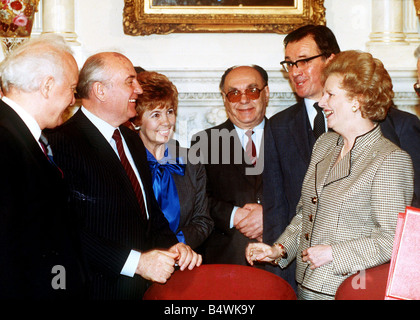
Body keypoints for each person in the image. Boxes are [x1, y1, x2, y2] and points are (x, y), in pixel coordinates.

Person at [247, 50, 414, 300]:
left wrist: (336, 253)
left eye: (330, 94)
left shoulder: (390, 160)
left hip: (350, 290)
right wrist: (278, 250)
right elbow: (307, 213)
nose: (321, 102)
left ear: (357, 100)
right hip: (305, 285)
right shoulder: (325, 144)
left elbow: (393, 239)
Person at [47, 52, 201, 300]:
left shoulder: (130, 138)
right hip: (94, 289)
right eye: (130, 81)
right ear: (100, 90)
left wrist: (173, 246)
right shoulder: (61, 143)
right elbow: (66, 231)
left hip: (141, 290)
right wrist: (136, 263)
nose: (138, 89)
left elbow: (148, 211)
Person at [0, 34, 86, 299]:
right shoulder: (4, 139)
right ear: (48, 86)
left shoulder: (18, 133)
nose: (72, 100)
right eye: (72, 88)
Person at [191, 65, 268, 265]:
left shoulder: (288, 137)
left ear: (266, 93)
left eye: (252, 91)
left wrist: (269, 215)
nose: (243, 100)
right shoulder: (204, 143)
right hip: (227, 261)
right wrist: (236, 215)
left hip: (280, 260)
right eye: (234, 93)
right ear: (224, 98)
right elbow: (197, 200)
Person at [131, 70, 213, 249]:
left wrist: (177, 247)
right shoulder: (126, 160)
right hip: (139, 263)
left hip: (183, 261)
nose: (167, 122)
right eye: (156, 115)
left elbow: (203, 221)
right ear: (137, 119)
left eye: (169, 111)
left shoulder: (191, 160)